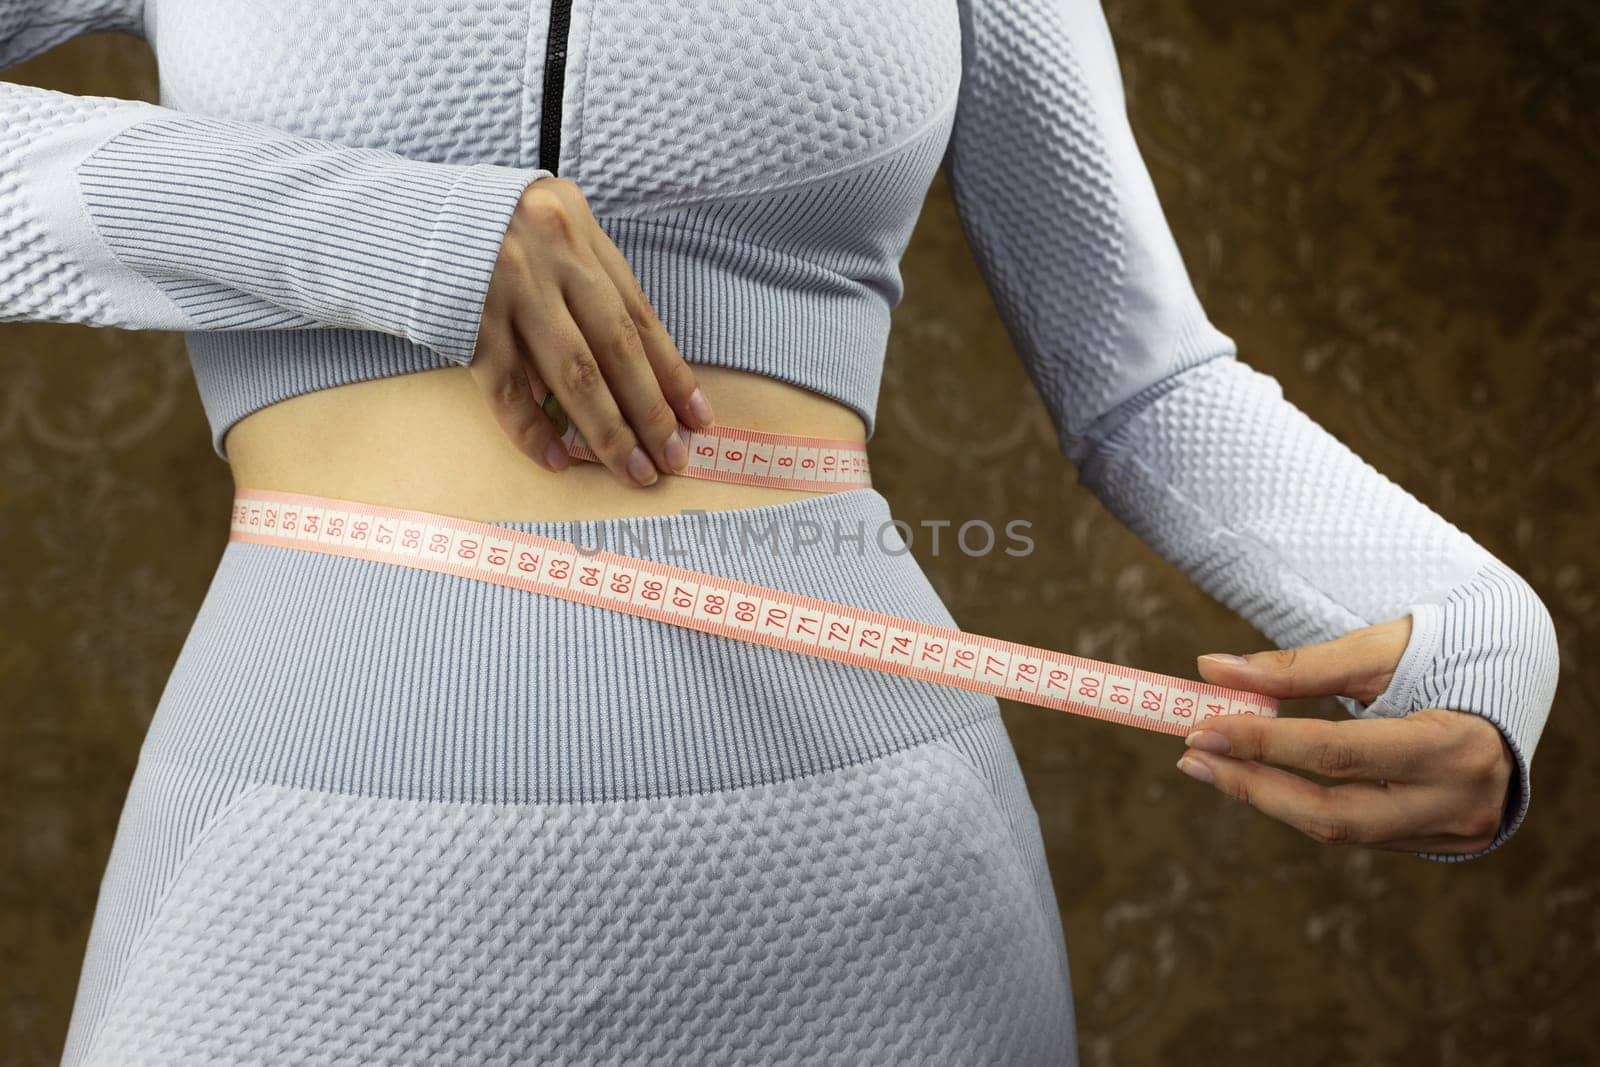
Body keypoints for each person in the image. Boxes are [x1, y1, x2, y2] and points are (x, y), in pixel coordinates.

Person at [1, 0, 1558, 1063]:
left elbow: (1148, 381)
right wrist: (369, 226)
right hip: (296, 876)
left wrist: (1485, 632)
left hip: (879, 902)